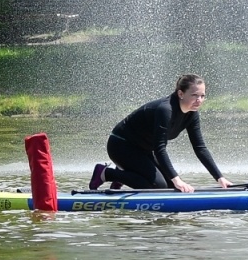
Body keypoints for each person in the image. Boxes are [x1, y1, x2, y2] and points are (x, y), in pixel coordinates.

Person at [92, 74, 232, 193]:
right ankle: (106, 173)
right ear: (180, 94)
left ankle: (124, 174)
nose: (199, 100)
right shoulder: (165, 110)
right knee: (157, 186)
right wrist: (177, 179)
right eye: (194, 95)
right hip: (121, 146)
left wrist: (220, 178)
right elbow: (160, 148)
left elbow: (200, 148)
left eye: (202, 96)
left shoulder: (192, 114)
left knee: (170, 187)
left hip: (143, 149)